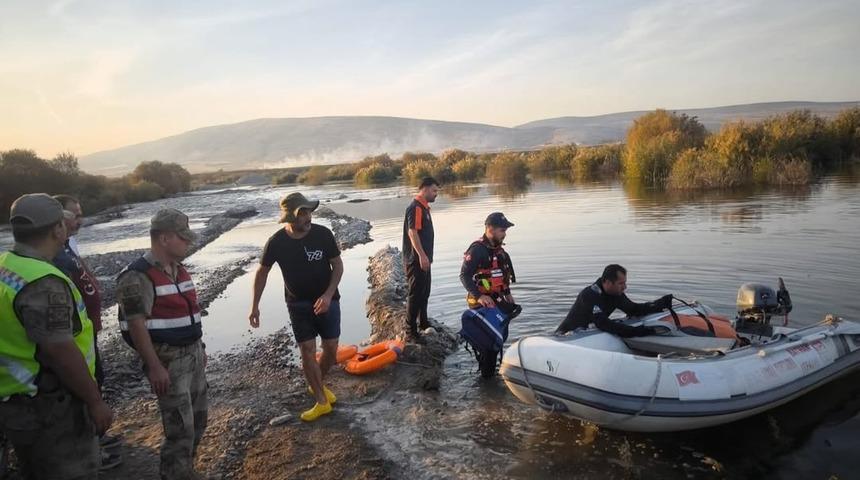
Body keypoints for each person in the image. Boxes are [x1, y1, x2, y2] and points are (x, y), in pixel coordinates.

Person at [0, 193, 113, 479]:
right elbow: (60, 351)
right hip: (51, 407)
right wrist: (95, 401)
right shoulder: (43, 282)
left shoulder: (7, 266)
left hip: (17, 401)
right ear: (57, 229)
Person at [115, 208, 207, 479]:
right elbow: (136, 324)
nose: (188, 242)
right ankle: (175, 474)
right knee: (180, 429)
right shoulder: (136, 276)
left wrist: (199, 349)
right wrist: (154, 366)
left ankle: (186, 470)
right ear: (164, 238)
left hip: (192, 355)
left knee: (198, 422)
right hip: (168, 360)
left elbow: (190, 313)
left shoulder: (180, 270)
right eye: (183, 237)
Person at [249, 193, 343, 422]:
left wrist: (329, 294)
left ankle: (315, 383)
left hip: (328, 299)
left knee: (331, 349)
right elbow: (262, 272)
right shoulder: (277, 242)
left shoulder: (323, 234)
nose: (308, 217)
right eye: (303, 213)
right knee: (308, 350)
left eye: (309, 211)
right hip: (297, 303)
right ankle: (321, 402)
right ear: (290, 217)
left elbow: (337, 265)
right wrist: (255, 306)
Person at [51, 195, 122, 468]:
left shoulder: (69, 244)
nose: (80, 219)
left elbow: (82, 275)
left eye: (81, 213)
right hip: (72, 337)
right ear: (58, 220)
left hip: (86, 330)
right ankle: (90, 451)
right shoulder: (54, 254)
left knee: (96, 377)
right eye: (74, 215)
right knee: (83, 385)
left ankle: (95, 439)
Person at [555, 264, 673, 337]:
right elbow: (603, 324)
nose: (625, 287)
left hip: (587, 333)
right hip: (566, 337)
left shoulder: (616, 293)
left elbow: (633, 309)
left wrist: (659, 304)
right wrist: (637, 331)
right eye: (620, 283)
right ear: (607, 282)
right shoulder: (590, 295)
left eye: (625, 283)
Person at [460, 212, 520, 317]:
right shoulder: (477, 250)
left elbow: (502, 275)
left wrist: (507, 293)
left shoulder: (499, 251)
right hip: (481, 302)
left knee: (511, 312)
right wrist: (479, 296)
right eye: (502, 231)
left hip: (496, 298)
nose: (505, 234)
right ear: (490, 229)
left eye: (505, 231)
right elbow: (464, 275)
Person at [402, 177, 439, 340]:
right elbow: (413, 232)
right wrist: (422, 256)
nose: (436, 194)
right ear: (424, 189)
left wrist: (427, 258)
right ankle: (410, 332)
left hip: (424, 259)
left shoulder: (425, 208)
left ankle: (423, 322)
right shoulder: (416, 207)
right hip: (416, 259)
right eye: (434, 190)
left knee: (425, 292)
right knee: (415, 294)